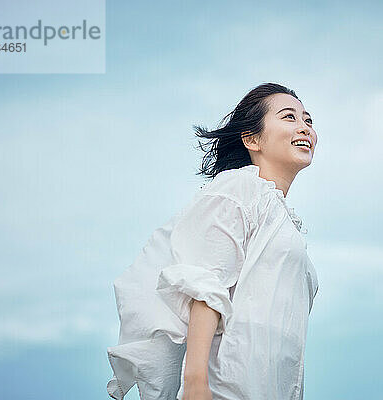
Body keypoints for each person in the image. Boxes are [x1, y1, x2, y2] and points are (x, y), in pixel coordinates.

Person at [106, 82, 319, 400]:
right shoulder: (239, 189)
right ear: (252, 139)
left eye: (308, 120)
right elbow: (205, 284)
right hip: (223, 391)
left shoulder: (284, 220)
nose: (304, 127)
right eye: (289, 117)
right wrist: (195, 385)